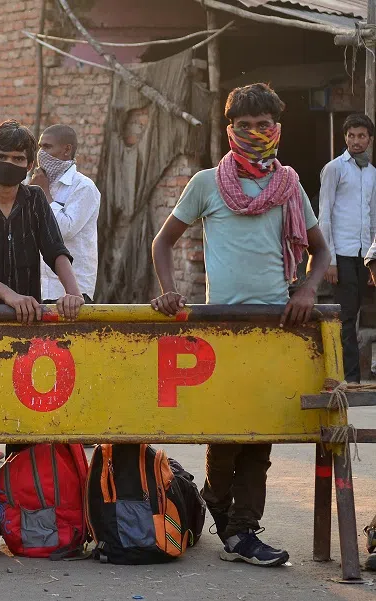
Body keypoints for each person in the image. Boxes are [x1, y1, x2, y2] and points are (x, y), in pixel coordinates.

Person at [151, 83, 330, 567]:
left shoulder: (289, 185)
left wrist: (308, 290)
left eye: (264, 125)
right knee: (227, 432)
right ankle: (218, 500)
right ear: (230, 129)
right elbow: (162, 243)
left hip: (273, 327)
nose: (255, 133)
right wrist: (168, 290)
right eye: (244, 125)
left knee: (260, 436)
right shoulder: (207, 183)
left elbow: (321, 250)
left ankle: (242, 531)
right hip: (220, 329)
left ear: (277, 128)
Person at [0, 119, 84, 558]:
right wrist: (9, 295)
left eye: (19, 159)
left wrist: (72, 291)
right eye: (2, 157)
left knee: (25, 432)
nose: (10, 165)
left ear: (30, 165)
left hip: (28, 334)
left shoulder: (34, 200)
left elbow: (55, 250)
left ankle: (25, 523)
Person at [318, 113, 376, 383]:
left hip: (365, 257)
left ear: (370, 140)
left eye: (361, 135)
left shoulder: (373, 174)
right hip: (341, 254)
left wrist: (373, 258)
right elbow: (324, 215)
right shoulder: (334, 169)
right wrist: (328, 260)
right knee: (347, 315)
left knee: (366, 313)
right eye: (351, 136)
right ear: (345, 138)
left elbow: (373, 218)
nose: (356, 141)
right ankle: (350, 378)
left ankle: (365, 375)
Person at [30, 124, 100, 303]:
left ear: (66, 150)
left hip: (72, 293)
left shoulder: (83, 187)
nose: (41, 153)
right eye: (40, 147)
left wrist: (43, 193)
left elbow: (63, 230)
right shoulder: (38, 182)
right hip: (40, 290)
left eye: (47, 147)